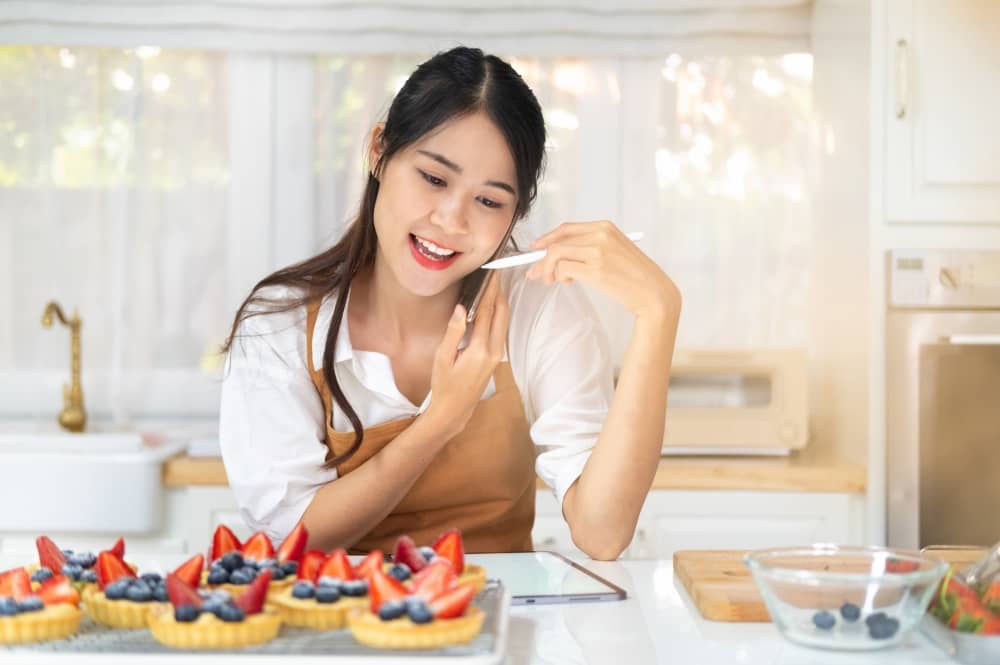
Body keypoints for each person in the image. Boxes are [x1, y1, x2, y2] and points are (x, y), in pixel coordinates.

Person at [219, 46, 681, 561]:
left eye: (489, 200)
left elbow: (603, 533)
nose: (452, 219)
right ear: (379, 152)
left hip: (501, 626)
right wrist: (442, 419)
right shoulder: (278, 324)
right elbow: (290, 543)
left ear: (517, 213)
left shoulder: (538, 308)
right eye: (434, 179)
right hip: (338, 630)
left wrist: (658, 313)